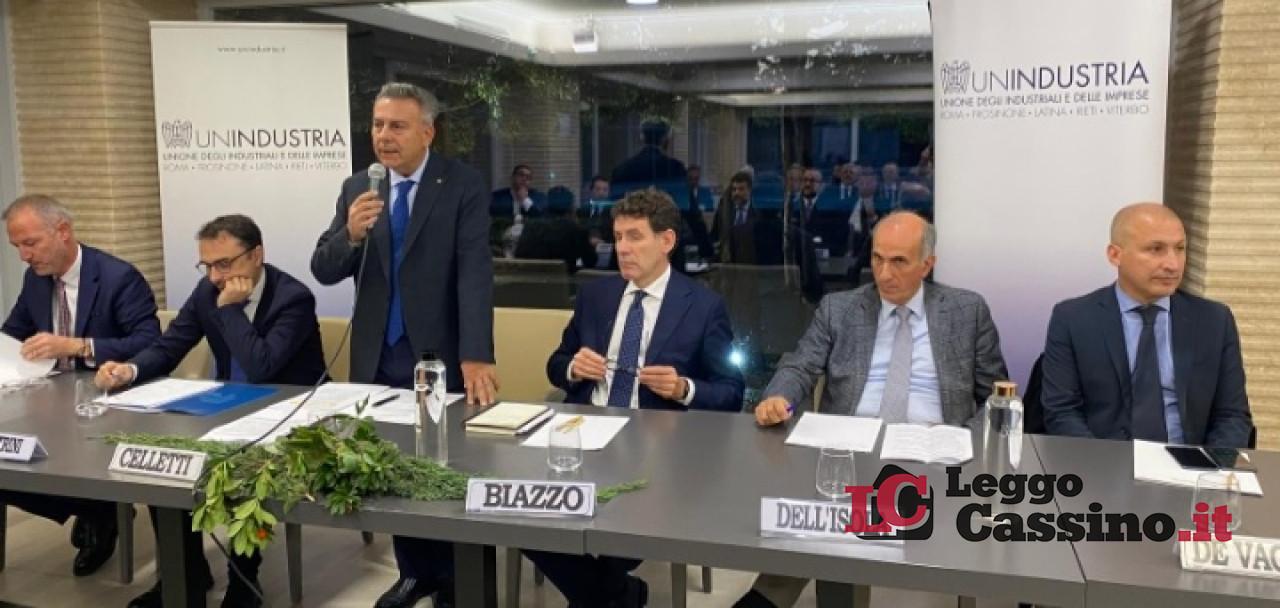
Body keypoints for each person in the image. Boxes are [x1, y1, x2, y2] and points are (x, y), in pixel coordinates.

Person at [740, 211, 1007, 608]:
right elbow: (799, 365)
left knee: (847, 531)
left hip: (932, 458)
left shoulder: (966, 311)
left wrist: (965, 443)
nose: (884, 273)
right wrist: (779, 397)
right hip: (851, 451)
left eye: (898, 261)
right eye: (877, 258)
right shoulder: (839, 308)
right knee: (816, 528)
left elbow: (996, 397)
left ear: (927, 264)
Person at [310, 82, 498, 608]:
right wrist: (350, 234)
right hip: (377, 354)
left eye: (397, 126)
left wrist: (477, 353)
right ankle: (416, 573)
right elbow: (323, 268)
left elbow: (475, 273)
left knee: (446, 468)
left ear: (427, 132)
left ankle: (457, 579)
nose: (384, 136)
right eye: (377, 125)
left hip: (439, 353)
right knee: (390, 468)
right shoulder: (359, 187)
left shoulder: (460, 184)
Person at [526, 188, 745, 607]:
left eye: (634, 237)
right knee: (520, 517)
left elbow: (732, 392)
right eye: (617, 237)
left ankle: (607, 594)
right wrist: (574, 367)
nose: (622, 248)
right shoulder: (596, 296)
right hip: (585, 437)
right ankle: (619, 596)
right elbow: (556, 364)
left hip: (658, 451)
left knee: (620, 531)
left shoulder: (703, 306)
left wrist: (684, 388)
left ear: (667, 241)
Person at [96, 214, 326, 608]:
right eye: (207, 266)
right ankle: (185, 575)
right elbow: (171, 345)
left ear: (256, 255)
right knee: (164, 463)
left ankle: (244, 581)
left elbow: (262, 367)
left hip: (289, 413)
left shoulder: (294, 298)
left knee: (250, 472)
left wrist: (231, 311)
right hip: (227, 405)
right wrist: (128, 369)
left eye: (224, 264)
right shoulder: (207, 292)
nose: (215, 277)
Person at [0, 193, 161, 577]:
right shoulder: (35, 278)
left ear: (63, 231)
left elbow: (150, 342)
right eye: (16, 246)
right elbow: (13, 332)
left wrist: (78, 346)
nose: (24, 256)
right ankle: (96, 508)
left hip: (109, 400)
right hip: (48, 399)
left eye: (30, 243)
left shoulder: (118, 277)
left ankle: (99, 508)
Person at [1041, 203, 1252, 447]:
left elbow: (1232, 416)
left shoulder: (1214, 320)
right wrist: (1101, 463)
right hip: (1104, 459)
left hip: (1189, 461)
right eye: (1155, 249)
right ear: (1115, 255)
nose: (1173, 264)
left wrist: (1209, 465)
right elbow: (1062, 412)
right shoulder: (1074, 318)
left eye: (1180, 249)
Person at [514, 186, 598, 273]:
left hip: (530, 280)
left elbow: (518, 257)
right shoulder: (576, 230)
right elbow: (591, 262)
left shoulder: (530, 226)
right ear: (571, 208)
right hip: (564, 281)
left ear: (547, 205)